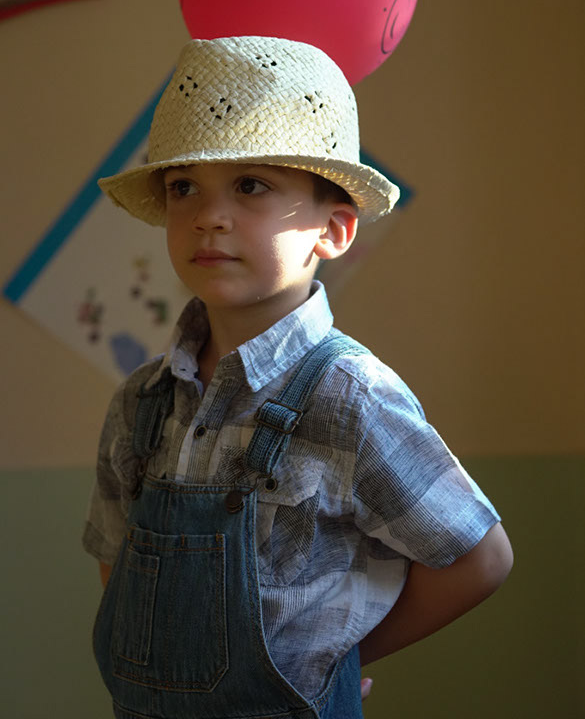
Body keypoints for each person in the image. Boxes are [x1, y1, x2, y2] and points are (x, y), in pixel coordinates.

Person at [83, 36, 513, 719]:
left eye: (251, 185)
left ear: (333, 230)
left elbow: (478, 559)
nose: (208, 216)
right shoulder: (141, 400)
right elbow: (117, 559)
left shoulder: (349, 396)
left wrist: (337, 660)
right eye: (183, 187)